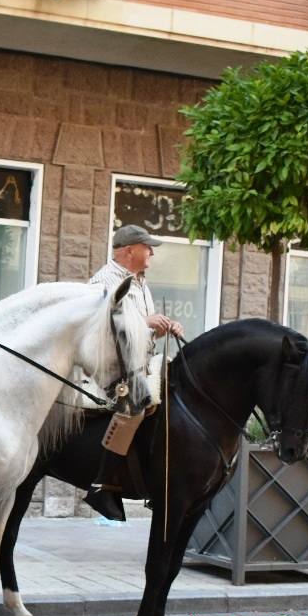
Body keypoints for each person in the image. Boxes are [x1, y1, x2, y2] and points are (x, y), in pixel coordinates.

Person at [84, 224, 184, 522]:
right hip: (110, 367)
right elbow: (98, 326)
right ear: (129, 250)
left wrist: (163, 327)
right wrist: (146, 321)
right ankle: (103, 485)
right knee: (136, 405)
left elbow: (141, 330)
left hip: (139, 364)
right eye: (147, 246)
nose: (152, 251)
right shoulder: (103, 281)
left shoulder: (140, 283)